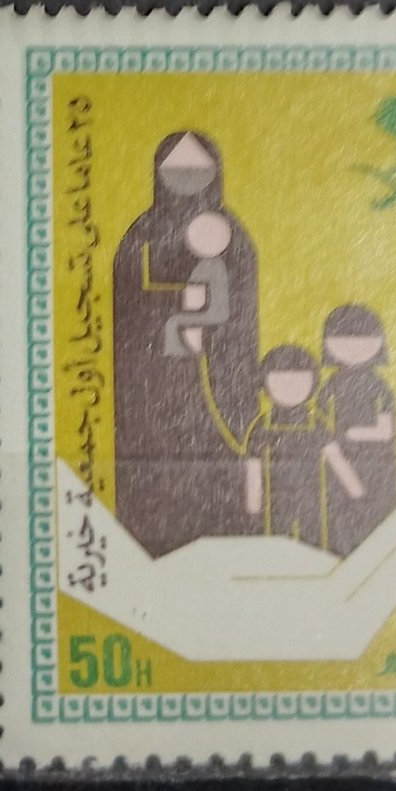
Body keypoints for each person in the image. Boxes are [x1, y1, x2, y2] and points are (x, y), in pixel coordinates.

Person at [111, 131, 259, 555]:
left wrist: (204, 322)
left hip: (214, 371)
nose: (188, 177)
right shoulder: (142, 235)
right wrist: (175, 309)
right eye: (177, 168)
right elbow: (128, 304)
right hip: (155, 380)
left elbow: (239, 311)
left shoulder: (233, 236)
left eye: (198, 168)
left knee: (216, 443)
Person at [245, 345, 350, 547]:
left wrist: (352, 487)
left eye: (298, 381)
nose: (289, 388)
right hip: (275, 499)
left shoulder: (316, 423)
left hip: (312, 496)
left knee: (315, 542)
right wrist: (253, 503)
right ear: (264, 384)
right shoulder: (261, 426)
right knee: (276, 541)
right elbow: (254, 467)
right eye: (280, 381)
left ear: (313, 383)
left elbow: (335, 457)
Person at [319, 304, 396, 555]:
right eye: (344, 340)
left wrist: (351, 434)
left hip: (375, 465)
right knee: (339, 516)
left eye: (362, 340)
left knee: (377, 516)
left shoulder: (379, 387)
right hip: (337, 463)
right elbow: (319, 423)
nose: (353, 347)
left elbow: (386, 431)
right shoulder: (329, 387)